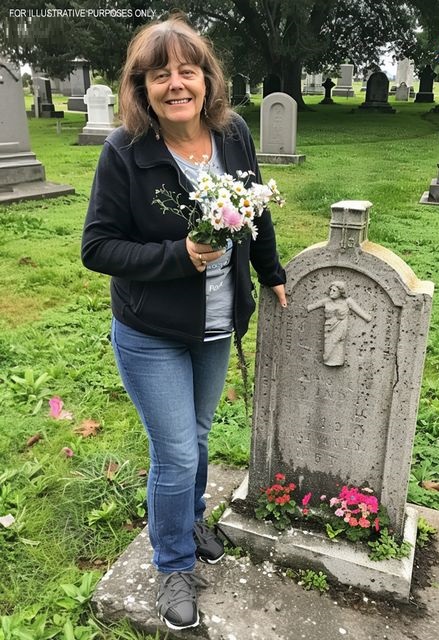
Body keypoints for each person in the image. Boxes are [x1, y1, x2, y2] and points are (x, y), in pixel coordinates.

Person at [81, 15, 286, 631]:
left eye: (186, 71)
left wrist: (272, 272)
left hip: (217, 323)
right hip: (150, 330)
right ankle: (172, 565)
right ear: (141, 87)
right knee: (173, 450)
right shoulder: (126, 151)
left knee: (196, 437)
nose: (176, 84)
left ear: (206, 79)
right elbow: (98, 247)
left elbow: (257, 212)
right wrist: (181, 257)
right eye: (159, 74)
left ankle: (189, 518)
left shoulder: (234, 134)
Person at [307, 281, 371, 366]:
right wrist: (309, 308)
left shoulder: (348, 301)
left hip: (340, 329)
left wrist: (367, 318)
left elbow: (360, 312)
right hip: (329, 328)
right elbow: (312, 306)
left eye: (334, 291)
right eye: (330, 290)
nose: (331, 292)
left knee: (339, 347)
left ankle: (338, 362)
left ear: (341, 292)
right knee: (327, 351)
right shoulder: (327, 301)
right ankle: (328, 361)